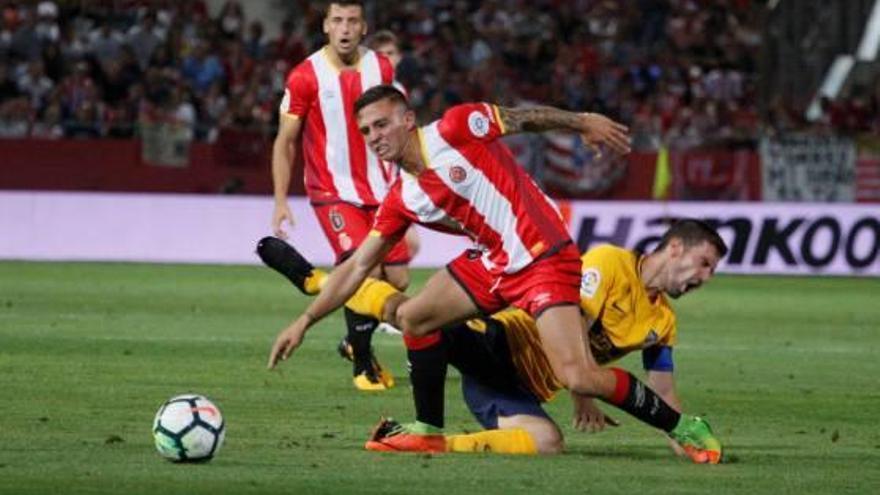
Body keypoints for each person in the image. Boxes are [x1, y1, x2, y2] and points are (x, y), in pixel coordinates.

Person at [266, 84, 717, 461]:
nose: (374, 136)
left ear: (407, 119)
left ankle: (683, 426)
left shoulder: (455, 128)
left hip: (543, 256)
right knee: (415, 318)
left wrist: (582, 121)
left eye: (381, 124)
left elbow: (524, 119)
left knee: (578, 376)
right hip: (494, 261)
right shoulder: (404, 197)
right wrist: (305, 321)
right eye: (365, 131)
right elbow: (359, 265)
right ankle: (427, 427)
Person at [263, 219, 726, 463]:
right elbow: (574, 331)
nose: (705, 278)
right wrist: (584, 390)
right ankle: (317, 282)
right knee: (415, 317)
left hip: (512, 389)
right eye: (704, 263)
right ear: (675, 248)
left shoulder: (663, 321)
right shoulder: (607, 262)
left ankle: (427, 444)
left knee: (548, 443)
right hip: (501, 341)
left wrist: (682, 437)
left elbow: (664, 394)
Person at [265, 1, 410, 391]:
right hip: (332, 190)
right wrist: (281, 199)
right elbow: (286, 141)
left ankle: (333, 307)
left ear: (363, 27)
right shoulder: (304, 77)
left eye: (352, 21)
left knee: (397, 277)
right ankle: (363, 364)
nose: (345, 28)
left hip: (382, 188)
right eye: (337, 21)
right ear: (326, 26)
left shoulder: (381, 67)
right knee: (367, 269)